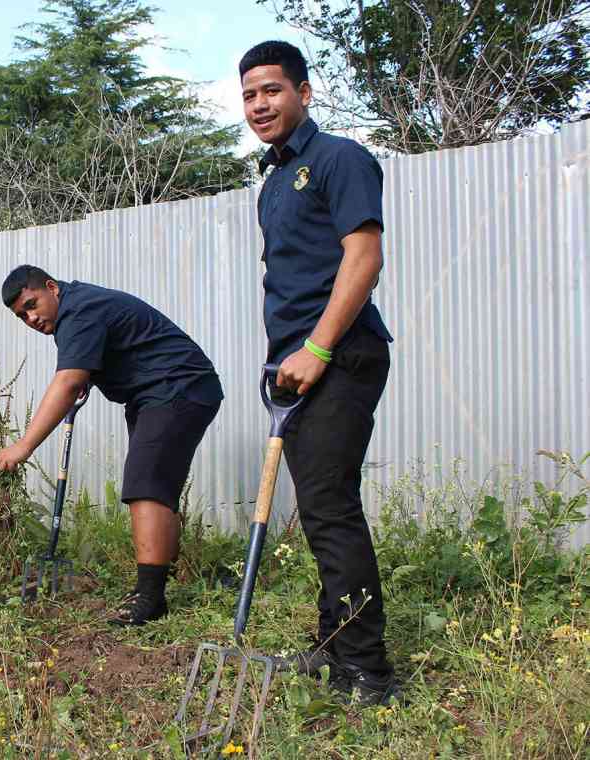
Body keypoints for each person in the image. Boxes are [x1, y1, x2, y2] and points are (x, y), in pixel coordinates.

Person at [239, 40, 399, 703]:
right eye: (249, 95)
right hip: (297, 366)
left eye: (272, 90)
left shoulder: (339, 159)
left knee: (331, 512)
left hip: (343, 354)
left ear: (305, 92)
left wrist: (319, 348)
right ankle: (335, 646)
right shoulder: (273, 181)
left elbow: (363, 257)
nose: (259, 105)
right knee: (321, 512)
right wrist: (285, 359)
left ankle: (370, 672)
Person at [0, 266, 223, 625]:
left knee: (145, 484)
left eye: (32, 305)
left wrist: (24, 445)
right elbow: (85, 368)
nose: (31, 318)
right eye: (22, 316)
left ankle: (149, 598)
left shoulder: (78, 311)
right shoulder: (76, 309)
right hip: (161, 391)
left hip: (176, 386)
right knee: (156, 486)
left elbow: (67, 382)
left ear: (51, 288)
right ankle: (164, 580)